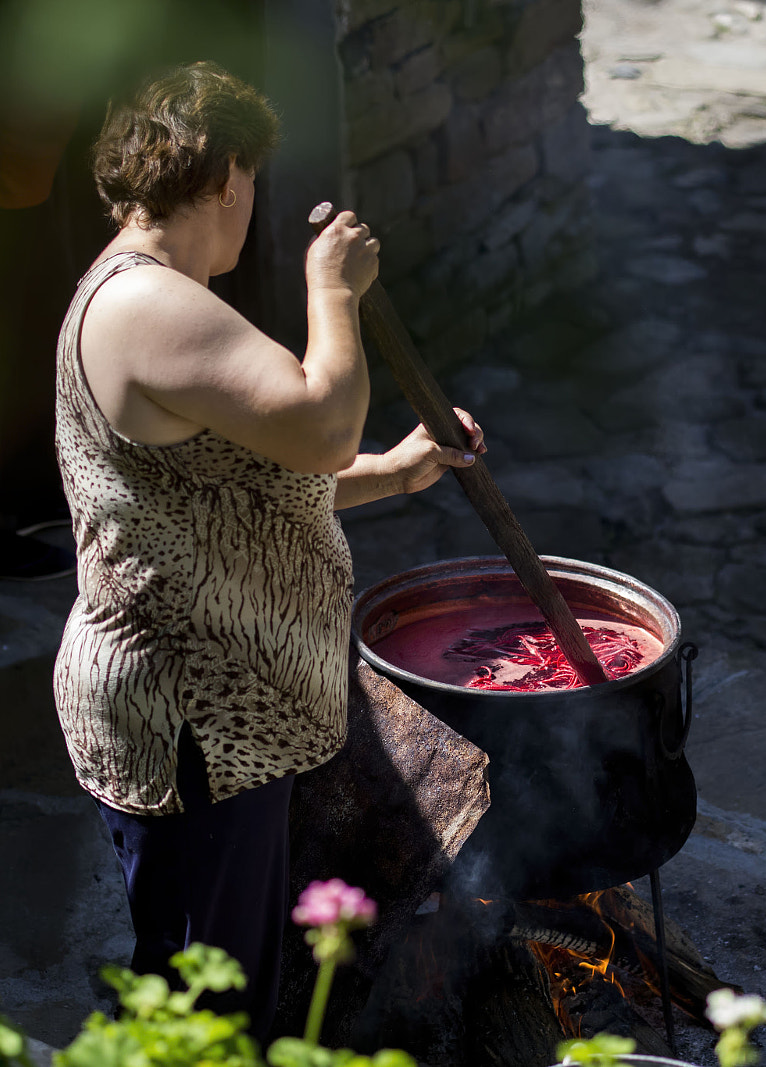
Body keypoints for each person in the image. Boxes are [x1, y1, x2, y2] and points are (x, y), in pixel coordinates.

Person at [50, 62, 485, 1040]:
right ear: (227, 175)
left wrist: (401, 469)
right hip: (188, 716)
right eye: (253, 177)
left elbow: (249, 487)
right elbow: (320, 423)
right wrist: (332, 291)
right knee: (209, 1002)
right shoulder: (145, 305)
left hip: (213, 712)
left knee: (201, 982)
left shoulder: (160, 298)